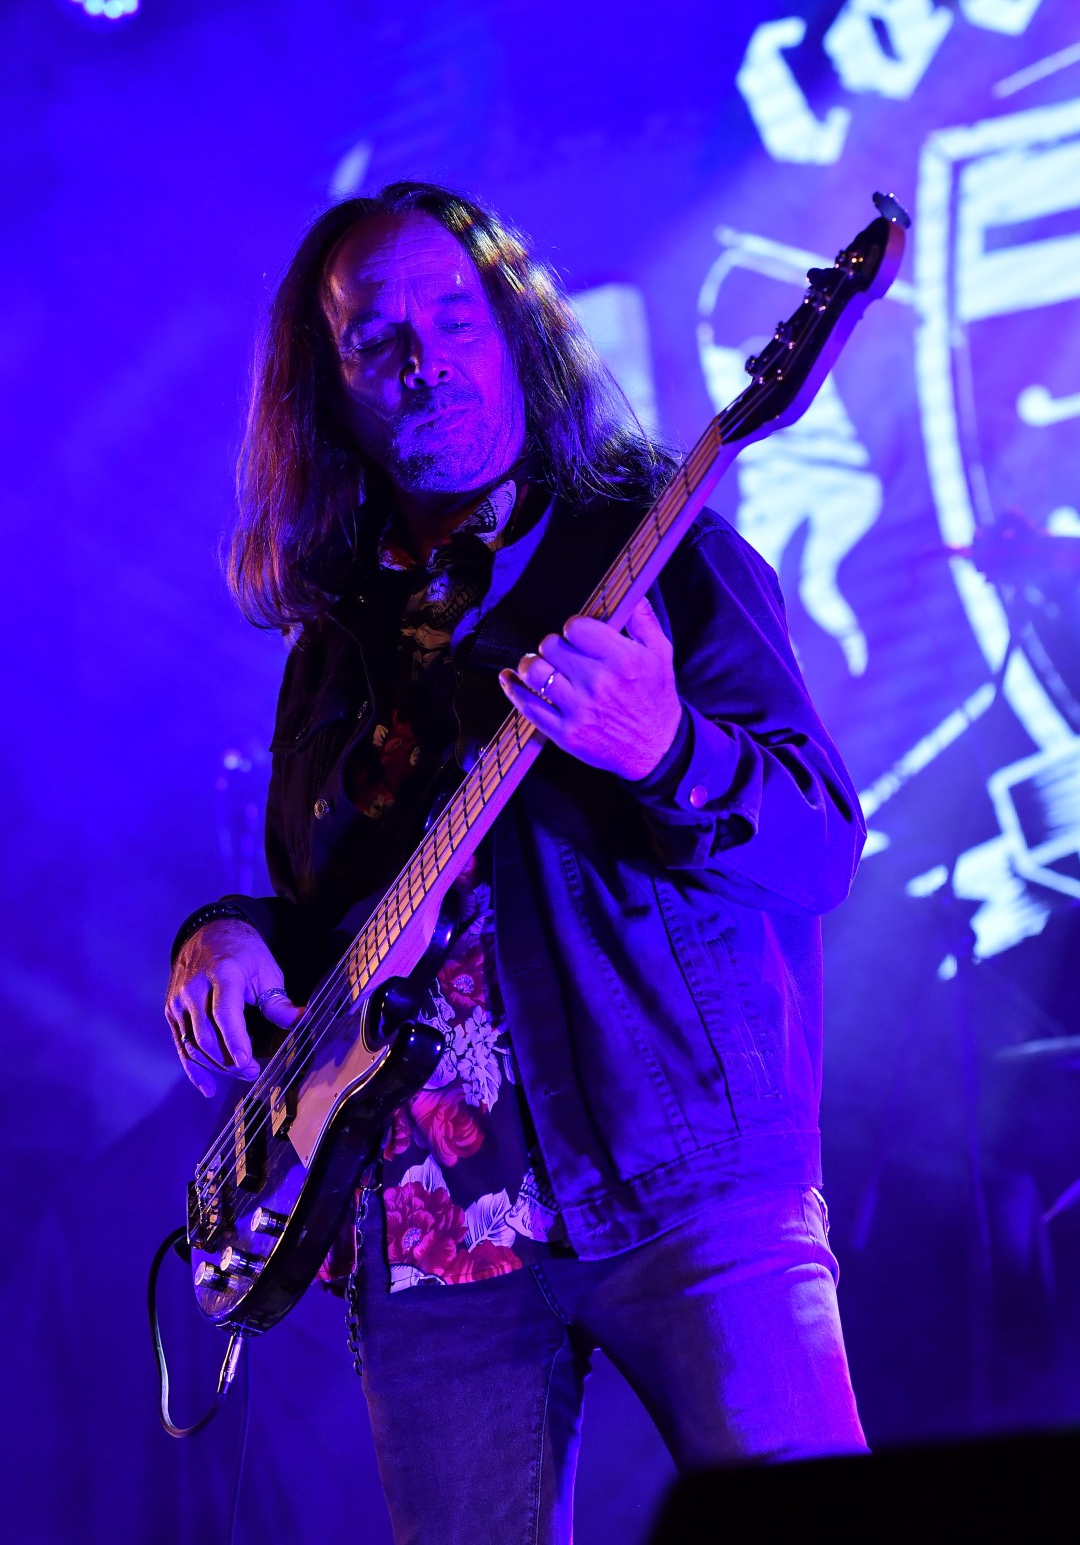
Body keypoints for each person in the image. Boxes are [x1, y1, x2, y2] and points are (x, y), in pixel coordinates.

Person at [165, 180, 868, 1541]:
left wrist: (664, 746)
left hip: (686, 1178)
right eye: (377, 340)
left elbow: (820, 843)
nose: (425, 360)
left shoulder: (660, 550)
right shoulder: (332, 650)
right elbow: (341, 931)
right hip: (430, 1230)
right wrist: (228, 934)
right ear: (331, 392)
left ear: (514, 334)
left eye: (454, 316)